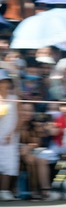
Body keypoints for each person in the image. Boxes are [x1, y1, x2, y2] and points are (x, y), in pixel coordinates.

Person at [0, 69, 19, 200]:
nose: (3, 84)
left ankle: (5, 190)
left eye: (5, 82)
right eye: (1, 82)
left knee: (8, 163)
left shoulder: (14, 99)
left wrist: (11, 133)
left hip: (10, 134)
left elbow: (19, 118)